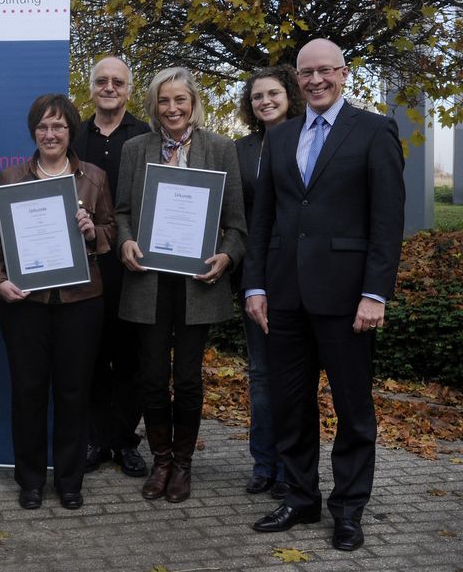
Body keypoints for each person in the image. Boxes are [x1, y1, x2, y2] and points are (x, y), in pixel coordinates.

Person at [243, 39, 405, 551]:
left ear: (343, 73)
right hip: (285, 295)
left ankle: (349, 508)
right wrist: (256, 283)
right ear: (298, 77)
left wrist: (375, 293)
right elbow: (264, 218)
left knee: (353, 408)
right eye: (306, 73)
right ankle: (300, 495)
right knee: (292, 404)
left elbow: (386, 222)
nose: (315, 80)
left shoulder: (375, 130)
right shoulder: (284, 135)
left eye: (325, 71)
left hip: (346, 297)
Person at [114, 67, 246, 504]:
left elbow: (236, 225)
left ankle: (184, 465)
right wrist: (127, 240)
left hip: (198, 284)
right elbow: (122, 212)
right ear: (153, 105)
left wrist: (226, 256)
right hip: (148, 282)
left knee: (187, 380)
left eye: (180, 101)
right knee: (151, 378)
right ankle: (162, 460)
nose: (172, 109)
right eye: (164, 101)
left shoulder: (220, 149)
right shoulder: (137, 149)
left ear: (193, 104)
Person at [0, 94, 115, 510]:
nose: (51, 133)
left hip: (81, 301)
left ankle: (70, 481)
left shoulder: (94, 177)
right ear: (33, 131)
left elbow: (111, 230)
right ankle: (31, 480)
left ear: (71, 130)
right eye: (43, 126)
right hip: (25, 303)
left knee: (75, 393)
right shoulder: (10, 177)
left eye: (58, 126)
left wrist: (93, 231)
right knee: (28, 392)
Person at [73, 56, 151, 477]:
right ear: (91, 88)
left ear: (128, 88)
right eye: (101, 81)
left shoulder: (145, 137)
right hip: (81, 265)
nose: (109, 87)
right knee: (88, 356)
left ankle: (124, 441)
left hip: (130, 264)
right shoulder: (73, 137)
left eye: (117, 82)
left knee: (130, 359)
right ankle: (94, 438)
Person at [234, 65, 305, 499]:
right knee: (260, 374)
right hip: (255, 274)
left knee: (292, 376)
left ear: (289, 95)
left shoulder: (309, 137)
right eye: (257, 96)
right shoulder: (239, 150)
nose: (265, 101)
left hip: (300, 274)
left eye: (273, 93)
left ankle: (291, 468)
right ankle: (264, 464)